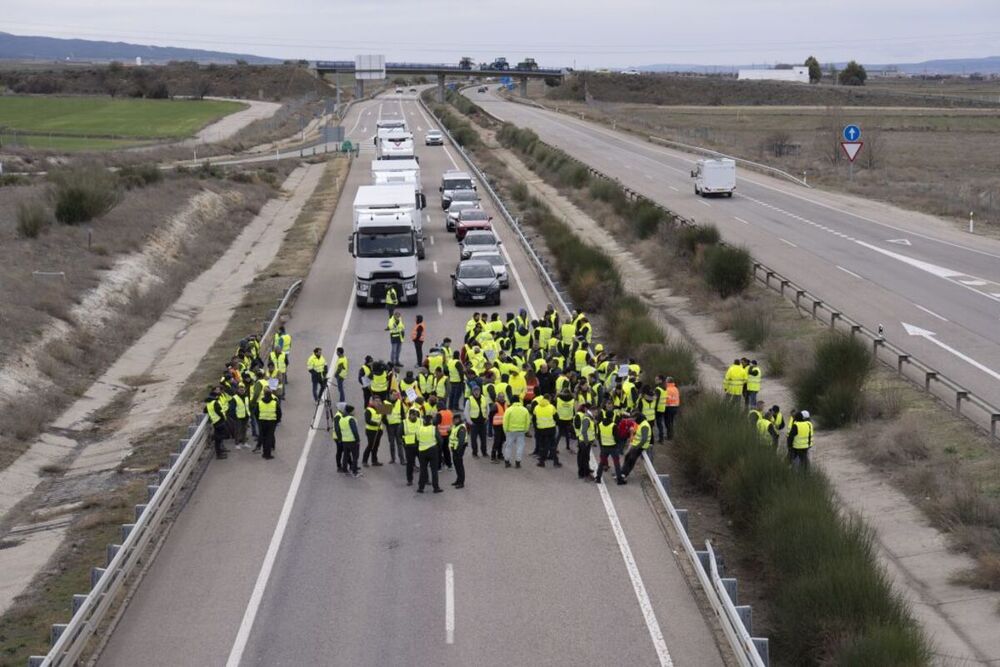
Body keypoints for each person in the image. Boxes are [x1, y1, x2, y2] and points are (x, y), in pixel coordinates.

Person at [595, 411, 625, 485]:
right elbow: (617, 438)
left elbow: (598, 436)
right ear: (612, 417)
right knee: (616, 463)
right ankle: (619, 480)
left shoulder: (600, 424)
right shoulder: (613, 425)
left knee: (602, 462)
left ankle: (598, 478)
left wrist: (601, 445)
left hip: (604, 446)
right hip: (613, 447)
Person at [621, 412, 653, 480]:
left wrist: (637, 447)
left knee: (631, 460)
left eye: (634, 418)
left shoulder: (644, 425)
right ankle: (622, 472)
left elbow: (644, 439)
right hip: (636, 445)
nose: (633, 420)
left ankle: (624, 474)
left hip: (640, 446)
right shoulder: (642, 423)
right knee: (627, 457)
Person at [416, 415, 443, 493]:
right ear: (431, 421)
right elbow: (440, 441)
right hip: (433, 451)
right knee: (434, 470)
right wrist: (437, 448)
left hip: (422, 452)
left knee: (423, 470)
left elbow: (416, 440)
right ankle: (436, 488)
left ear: (423, 421)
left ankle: (421, 488)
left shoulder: (419, 429)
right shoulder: (433, 429)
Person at [502, 398, 530, 468]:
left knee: (508, 446)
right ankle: (518, 462)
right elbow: (528, 422)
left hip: (510, 431)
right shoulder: (524, 410)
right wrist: (526, 430)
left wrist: (505, 430)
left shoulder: (509, 410)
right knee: (520, 447)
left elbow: (505, 421)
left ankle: (507, 462)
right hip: (521, 431)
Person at [533, 395, 560, 468]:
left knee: (542, 446)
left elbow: (534, 419)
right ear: (549, 399)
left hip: (540, 429)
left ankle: (541, 462)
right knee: (552, 446)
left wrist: (537, 427)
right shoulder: (551, 407)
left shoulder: (536, 407)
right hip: (551, 429)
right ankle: (556, 462)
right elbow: (557, 418)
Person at [335, 405, 361, 477]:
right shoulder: (351, 419)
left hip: (345, 441)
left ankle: (345, 470)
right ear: (351, 411)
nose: (355, 412)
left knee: (346, 456)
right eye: (354, 410)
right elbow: (354, 430)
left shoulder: (342, 419)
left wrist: (341, 439)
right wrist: (358, 439)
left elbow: (339, 430)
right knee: (355, 456)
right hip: (352, 440)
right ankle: (354, 472)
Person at [464, 385, 490, 457]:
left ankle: (484, 452)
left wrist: (487, 418)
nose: (476, 392)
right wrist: (470, 422)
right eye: (475, 391)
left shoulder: (484, 398)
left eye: (478, 390)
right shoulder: (469, 400)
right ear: (472, 391)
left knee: (483, 439)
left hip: (483, 423)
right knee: (473, 439)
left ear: (480, 391)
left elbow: (487, 409)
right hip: (474, 423)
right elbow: (466, 412)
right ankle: (474, 453)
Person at [257, 387, 281, 460]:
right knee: (269, 438)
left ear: (264, 394)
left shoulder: (260, 402)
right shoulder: (274, 403)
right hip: (271, 422)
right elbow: (279, 413)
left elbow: (256, 412)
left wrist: (259, 420)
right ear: (271, 394)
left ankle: (264, 453)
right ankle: (268, 454)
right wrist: (276, 421)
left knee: (264, 438)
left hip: (262, 422)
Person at [204, 388, 229, 460]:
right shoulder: (215, 403)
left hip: (215, 422)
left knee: (219, 439)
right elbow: (219, 412)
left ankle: (220, 452)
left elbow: (205, 411)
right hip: (219, 422)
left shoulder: (209, 404)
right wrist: (224, 418)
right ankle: (219, 454)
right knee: (219, 439)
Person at [574, 403, 595, 480]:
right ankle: (584, 473)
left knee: (584, 457)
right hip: (583, 441)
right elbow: (582, 430)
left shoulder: (586, 416)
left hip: (584, 440)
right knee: (583, 458)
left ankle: (583, 472)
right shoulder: (584, 417)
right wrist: (586, 440)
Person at [384, 391, 406, 464]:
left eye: (396, 395)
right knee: (392, 443)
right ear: (390, 395)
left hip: (398, 425)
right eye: (393, 395)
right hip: (390, 426)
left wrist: (403, 424)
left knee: (399, 443)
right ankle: (392, 459)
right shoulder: (386, 403)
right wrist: (387, 423)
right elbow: (382, 417)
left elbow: (403, 414)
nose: (395, 396)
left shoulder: (399, 402)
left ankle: (402, 459)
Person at [362, 397, 384, 466]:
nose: (378, 402)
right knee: (370, 445)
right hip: (371, 431)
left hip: (379, 430)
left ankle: (374, 461)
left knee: (376, 446)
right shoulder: (368, 410)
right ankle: (364, 461)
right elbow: (367, 421)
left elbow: (385, 417)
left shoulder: (380, 408)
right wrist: (376, 423)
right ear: (372, 401)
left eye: (379, 401)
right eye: (376, 401)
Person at [402, 408, 421, 485]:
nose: (414, 416)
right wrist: (404, 442)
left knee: (423, 464)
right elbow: (400, 434)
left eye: (415, 415)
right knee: (410, 465)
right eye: (413, 415)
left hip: (419, 446)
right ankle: (409, 480)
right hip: (409, 447)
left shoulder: (421, 421)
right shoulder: (404, 423)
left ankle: (426, 479)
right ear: (409, 415)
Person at [450, 418, 469, 489]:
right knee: (456, 465)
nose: (453, 422)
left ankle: (461, 482)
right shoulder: (456, 426)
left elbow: (461, 441)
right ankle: (458, 480)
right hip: (455, 449)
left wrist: (457, 450)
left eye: (454, 420)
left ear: (458, 420)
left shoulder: (461, 428)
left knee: (459, 465)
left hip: (459, 450)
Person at [229, 385, 250, 449]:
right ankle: (237, 444)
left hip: (245, 416)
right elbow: (232, 409)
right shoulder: (234, 398)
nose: (242, 391)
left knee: (244, 430)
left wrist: (249, 414)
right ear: (237, 390)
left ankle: (244, 442)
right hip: (238, 417)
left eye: (243, 390)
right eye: (240, 390)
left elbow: (248, 406)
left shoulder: (246, 397)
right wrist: (235, 417)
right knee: (237, 431)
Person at [490, 394, 507, 462]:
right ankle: (493, 456)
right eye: (500, 397)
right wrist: (492, 424)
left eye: (503, 397)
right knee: (497, 440)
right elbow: (491, 415)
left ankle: (500, 454)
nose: (502, 398)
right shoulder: (495, 405)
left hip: (503, 425)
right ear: (498, 398)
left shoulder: (506, 404)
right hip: (497, 425)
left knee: (502, 440)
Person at [663, 377, 680, 441]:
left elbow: (665, 399)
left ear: (668, 382)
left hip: (668, 407)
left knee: (667, 422)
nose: (665, 382)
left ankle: (669, 436)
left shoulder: (667, 389)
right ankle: (671, 435)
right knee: (671, 422)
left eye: (666, 381)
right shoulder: (676, 389)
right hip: (675, 407)